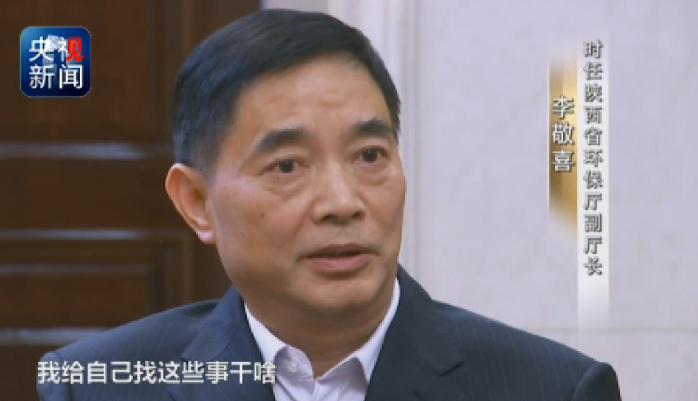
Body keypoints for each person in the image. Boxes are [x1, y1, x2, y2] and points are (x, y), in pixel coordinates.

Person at [37, 9, 621, 401]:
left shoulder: (551, 389)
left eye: (369, 156)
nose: (343, 203)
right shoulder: (95, 386)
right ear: (196, 202)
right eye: (287, 166)